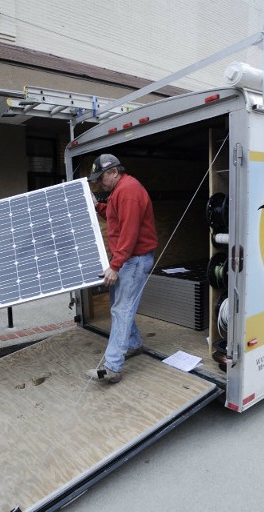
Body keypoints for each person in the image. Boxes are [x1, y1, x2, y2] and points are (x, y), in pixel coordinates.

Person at [85, 154, 157, 384]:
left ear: (114, 172)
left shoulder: (129, 191)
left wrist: (115, 265)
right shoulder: (120, 191)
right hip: (127, 259)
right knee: (120, 306)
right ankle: (134, 344)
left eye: (102, 177)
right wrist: (98, 206)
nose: (100, 182)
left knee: (121, 309)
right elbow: (115, 216)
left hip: (134, 260)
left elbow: (129, 231)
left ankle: (112, 367)